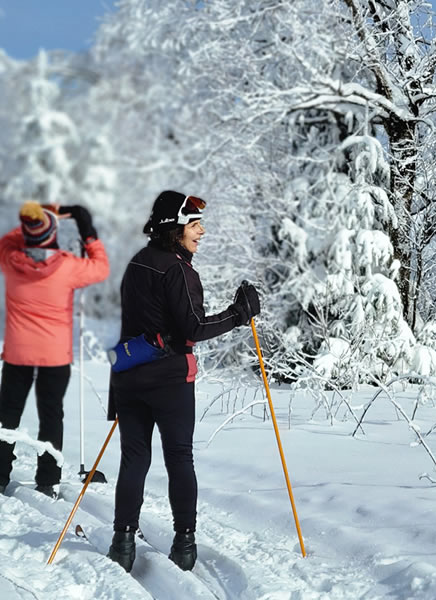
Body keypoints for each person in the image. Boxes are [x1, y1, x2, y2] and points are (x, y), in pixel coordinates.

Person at [106, 190, 259, 572]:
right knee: (179, 458)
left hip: (129, 377)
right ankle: (184, 545)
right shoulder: (179, 270)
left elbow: (131, 323)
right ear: (174, 228)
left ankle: (122, 544)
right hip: (169, 381)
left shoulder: (137, 263)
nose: (202, 231)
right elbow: (193, 328)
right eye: (194, 225)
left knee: (134, 460)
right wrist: (240, 313)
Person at [0, 202, 109, 497]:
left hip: (18, 353)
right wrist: (85, 229)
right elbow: (101, 267)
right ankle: (48, 479)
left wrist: (36, 217)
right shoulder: (67, 266)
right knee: (51, 416)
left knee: (8, 414)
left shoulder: (11, 260)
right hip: (54, 355)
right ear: (53, 233)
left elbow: (8, 239)